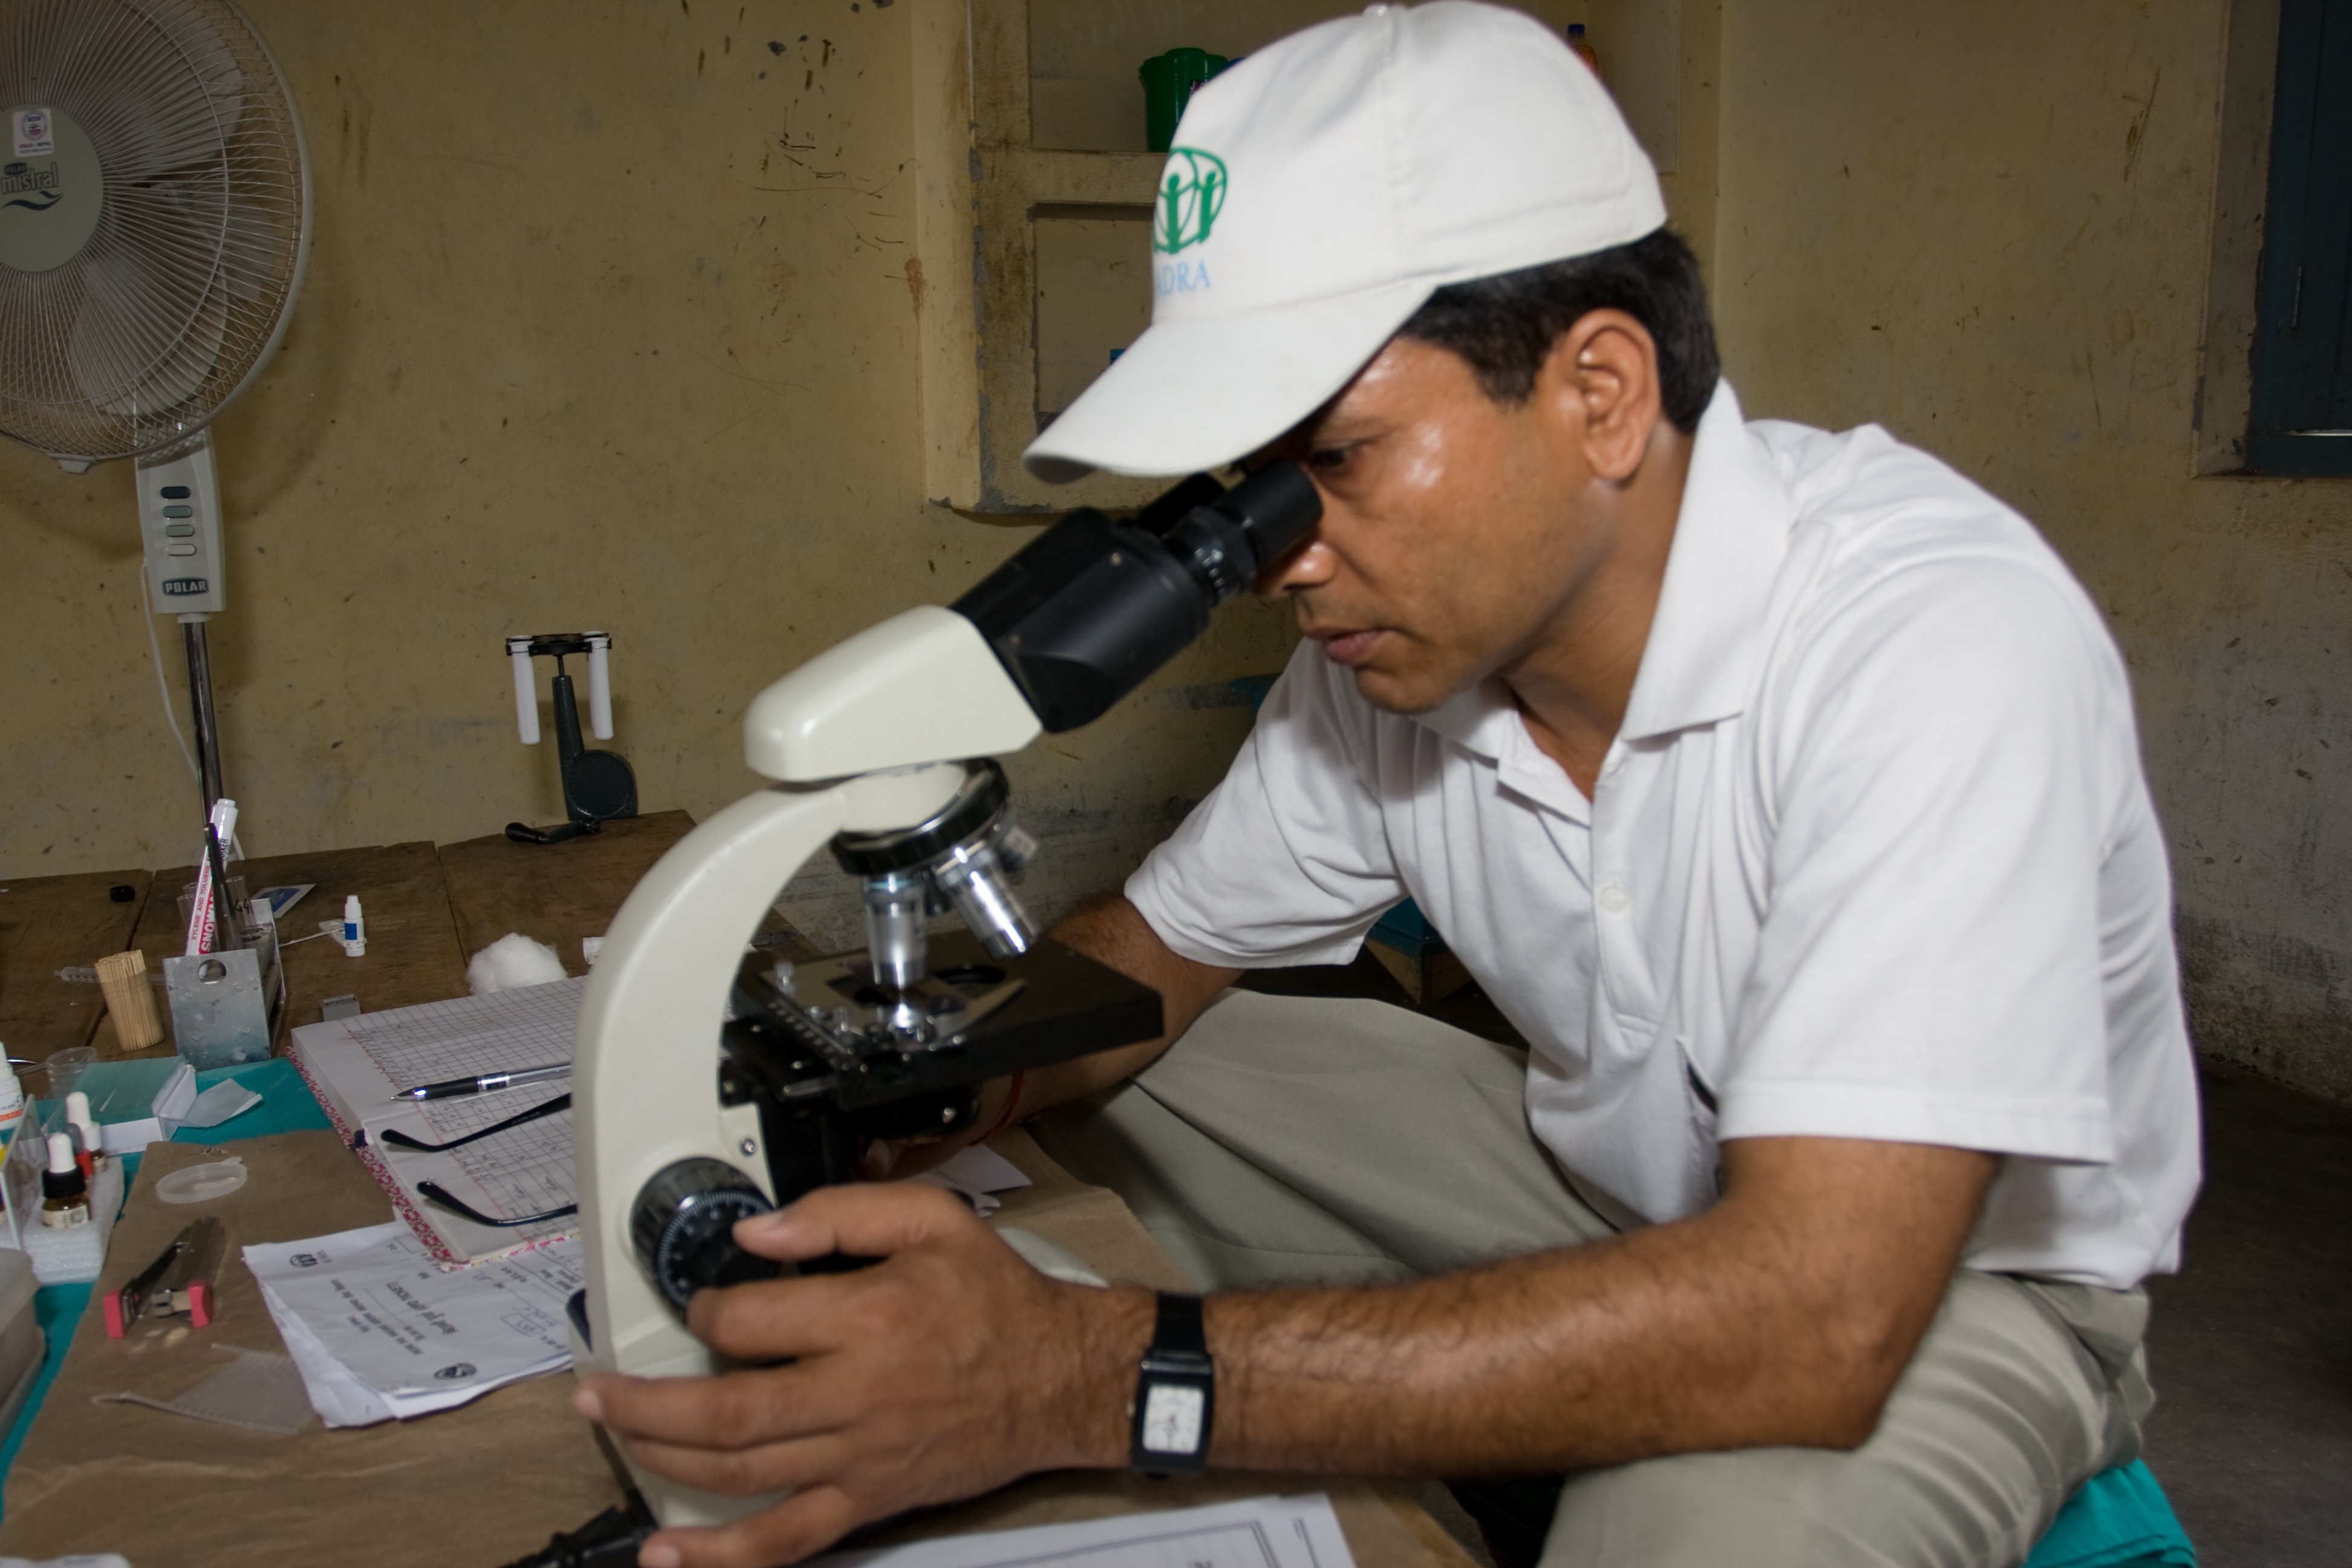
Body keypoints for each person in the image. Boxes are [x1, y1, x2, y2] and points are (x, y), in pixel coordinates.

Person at [576, 7, 2201, 1566]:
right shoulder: (1391, 662)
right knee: (1127, 1053)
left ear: (1601, 394)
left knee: (1693, 1538)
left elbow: (1822, 1312)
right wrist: (896, 1113)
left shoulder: (1934, 643)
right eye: (1251, 491)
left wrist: (1076, 1377)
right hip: (1611, 1192)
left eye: (1334, 462)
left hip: (1936, 1287)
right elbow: (1147, 968)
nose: (1284, 558)